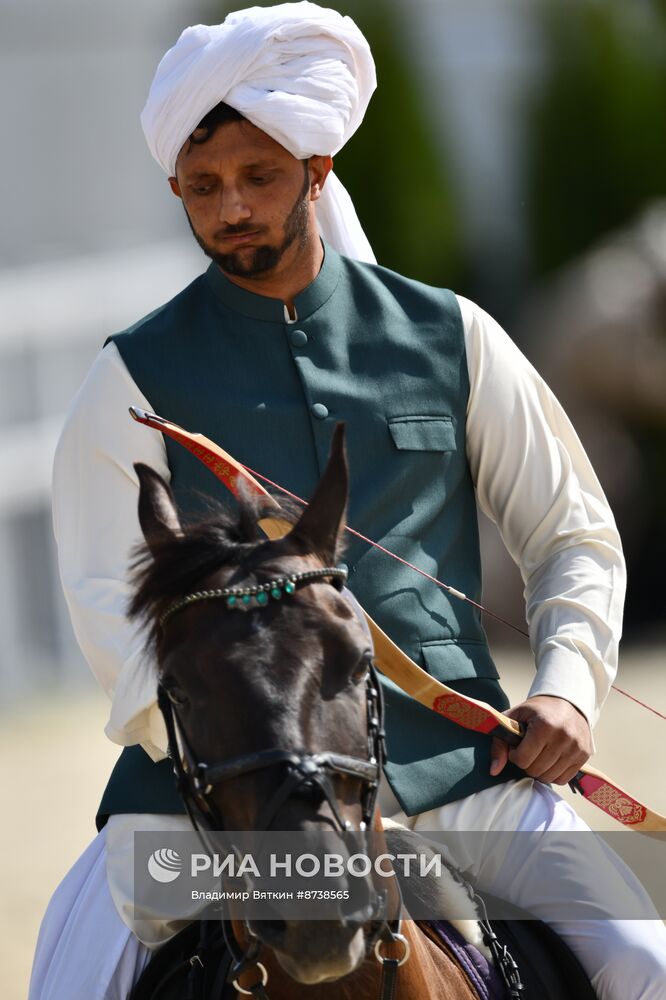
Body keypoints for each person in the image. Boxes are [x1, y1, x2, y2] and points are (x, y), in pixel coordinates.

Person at [30, 4, 666, 999]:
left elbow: (572, 531)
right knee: (68, 979)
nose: (230, 207)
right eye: (202, 187)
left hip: (464, 778)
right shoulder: (129, 379)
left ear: (320, 170)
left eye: (259, 177)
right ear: (175, 188)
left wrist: (566, 689)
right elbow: (105, 606)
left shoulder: (452, 335)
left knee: (646, 958)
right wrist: (240, 755)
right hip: (212, 807)